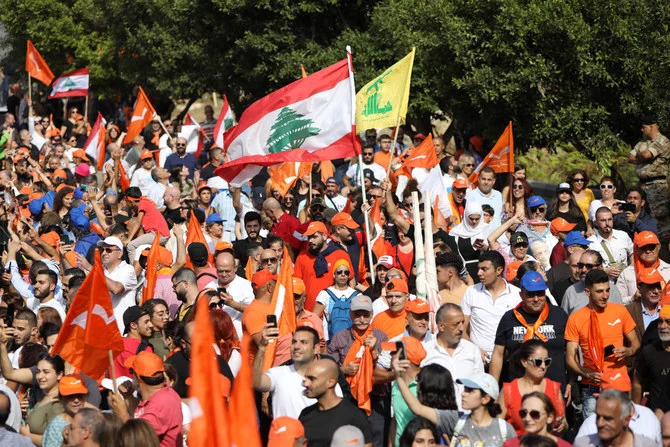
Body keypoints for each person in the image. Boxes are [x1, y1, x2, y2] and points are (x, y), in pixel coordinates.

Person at [565, 269, 640, 419]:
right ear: (587, 292)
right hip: (592, 384)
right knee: (594, 433)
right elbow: (570, 358)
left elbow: (636, 343)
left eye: (607, 290)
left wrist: (628, 351)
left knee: (622, 426)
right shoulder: (576, 318)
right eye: (599, 291)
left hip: (619, 382)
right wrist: (586, 373)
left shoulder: (620, 311)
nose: (605, 296)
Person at [393, 361, 515, 447]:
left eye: (470, 391)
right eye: (465, 389)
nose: (463, 394)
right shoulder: (455, 420)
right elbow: (418, 408)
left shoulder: (505, 429)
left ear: (486, 399)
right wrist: (398, 377)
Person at [490, 272, 568, 386]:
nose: (536, 299)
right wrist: (492, 388)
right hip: (519, 390)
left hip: (554, 389)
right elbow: (498, 354)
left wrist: (571, 382)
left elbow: (571, 352)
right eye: (531, 294)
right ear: (521, 295)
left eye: (540, 293)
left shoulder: (559, 315)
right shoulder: (509, 318)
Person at [254, 325, 331, 419]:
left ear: (316, 348)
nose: (297, 346)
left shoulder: (328, 382)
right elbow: (255, 382)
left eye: (304, 342)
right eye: (294, 342)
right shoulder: (278, 374)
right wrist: (262, 346)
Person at [110, 351, 183, 446]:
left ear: (138, 378)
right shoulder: (164, 394)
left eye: (131, 371)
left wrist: (122, 415)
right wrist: (129, 397)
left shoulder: (160, 405)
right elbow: (138, 419)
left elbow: (136, 441)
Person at [462, 250, 522, 365]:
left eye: (484, 269)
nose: (479, 273)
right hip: (478, 361)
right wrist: (474, 350)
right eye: (479, 268)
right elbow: (461, 328)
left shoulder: (516, 295)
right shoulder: (471, 292)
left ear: (499, 270)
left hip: (509, 360)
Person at [421, 303, 484, 410]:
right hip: (436, 418)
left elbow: (480, 384)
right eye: (456, 324)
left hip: (467, 419)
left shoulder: (472, 350)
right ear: (441, 326)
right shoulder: (424, 352)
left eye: (462, 322)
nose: (461, 328)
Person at [496, 340, 566, 435]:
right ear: (524, 362)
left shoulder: (554, 388)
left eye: (547, 361)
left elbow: (564, 423)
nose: (543, 366)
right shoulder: (509, 390)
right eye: (538, 361)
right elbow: (495, 426)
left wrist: (563, 425)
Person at [299, 358, 373, 447]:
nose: (306, 383)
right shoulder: (305, 414)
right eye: (305, 378)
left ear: (331, 382)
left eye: (312, 379)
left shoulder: (353, 416)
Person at [628, 115, 670, 247]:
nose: (641, 130)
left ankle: (663, 254)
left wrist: (641, 156)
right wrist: (643, 157)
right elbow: (630, 158)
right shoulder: (643, 142)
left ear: (651, 126)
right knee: (639, 216)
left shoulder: (662, 140)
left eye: (643, 127)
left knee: (660, 221)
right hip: (642, 186)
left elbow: (646, 154)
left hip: (657, 186)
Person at [294, 221, 352, 312]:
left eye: (314, 237)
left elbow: (351, 282)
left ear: (324, 236)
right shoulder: (302, 257)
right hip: (309, 312)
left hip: (334, 313)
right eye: (309, 237)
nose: (310, 240)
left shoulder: (340, 255)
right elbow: (297, 285)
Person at [573, 389, 657, 447]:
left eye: (608, 419)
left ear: (626, 420)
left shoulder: (648, 444)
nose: (600, 423)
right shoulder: (583, 443)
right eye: (598, 417)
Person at [205, 250, 255, 339]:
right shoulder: (209, 287)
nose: (224, 274)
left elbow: (254, 311)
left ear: (235, 268)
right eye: (220, 271)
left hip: (239, 341)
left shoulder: (246, 286)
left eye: (227, 271)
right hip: (214, 339)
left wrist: (232, 303)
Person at [633, 305, 670, 415]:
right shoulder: (649, 352)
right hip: (656, 417)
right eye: (660, 321)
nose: (663, 326)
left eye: (668, 322)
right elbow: (637, 382)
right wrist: (636, 412)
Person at [561, 250, 623, 315]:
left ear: (600, 267)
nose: (584, 270)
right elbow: (564, 320)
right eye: (581, 265)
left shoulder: (612, 290)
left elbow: (621, 317)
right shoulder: (571, 292)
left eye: (588, 266)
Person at [97, 236, 139, 333]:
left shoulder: (128, 269)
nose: (104, 253)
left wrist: (94, 271)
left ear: (120, 254)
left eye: (108, 250)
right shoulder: (100, 270)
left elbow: (117, 289)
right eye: (102, 250)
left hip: (121, 329)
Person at [617, 230, 670, 305]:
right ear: (636, 250)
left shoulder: (669, 270)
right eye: (643, 247)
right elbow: (616, 302)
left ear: (658, 247)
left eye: (651, 247)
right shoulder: (627, 273)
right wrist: (632, 298)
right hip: (636, 314)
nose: (648, 251)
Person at [502, 392, 571, 447]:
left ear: (549, 417)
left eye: (534, 414)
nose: (527, 418)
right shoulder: (510, 445)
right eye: (523, 413)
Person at [314, 259, 360, 339]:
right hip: (329, 340)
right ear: (334, 274)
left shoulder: (357, 296)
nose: (343, 275)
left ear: (349, 276)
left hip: (351, 340)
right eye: (339, 272)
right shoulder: (324, 294)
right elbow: (314, 318)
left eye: (346, 272)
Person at [445, 202, 490, 280]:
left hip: (484, 273)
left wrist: (486, 249)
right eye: (471, 218)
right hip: (464, 274)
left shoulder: (487, 230)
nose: (474, 222)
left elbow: (496, 253)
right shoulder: (456, 232)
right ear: (465, 216)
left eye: (477, 219)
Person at [42, 374, 90, 447]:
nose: (76, 400)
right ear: (61, 399)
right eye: (70, 396)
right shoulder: (56, 426)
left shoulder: (90, 420)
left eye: (79, 395)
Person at [587, 207, 633, 280]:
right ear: (596, 223)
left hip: (625, 281)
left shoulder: (623, 235)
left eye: (610, 219)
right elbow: (587, 268)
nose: (607, 223)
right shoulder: (590, 242)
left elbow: (632, 254)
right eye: (603, 220)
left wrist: (630, 270)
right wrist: (604, 271)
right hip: (603, 283)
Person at [112, 306, 154, 378]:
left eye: (150, 321)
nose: (151, 325)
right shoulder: (146, 350)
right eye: (146, 322)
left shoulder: (113, 346)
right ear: (133, 325)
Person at [547, 231, 591, 295]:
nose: (587, 248)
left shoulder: (590, 267)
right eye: (583, 246)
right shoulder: (554, 273)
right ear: (571, 249)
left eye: (587, 246)